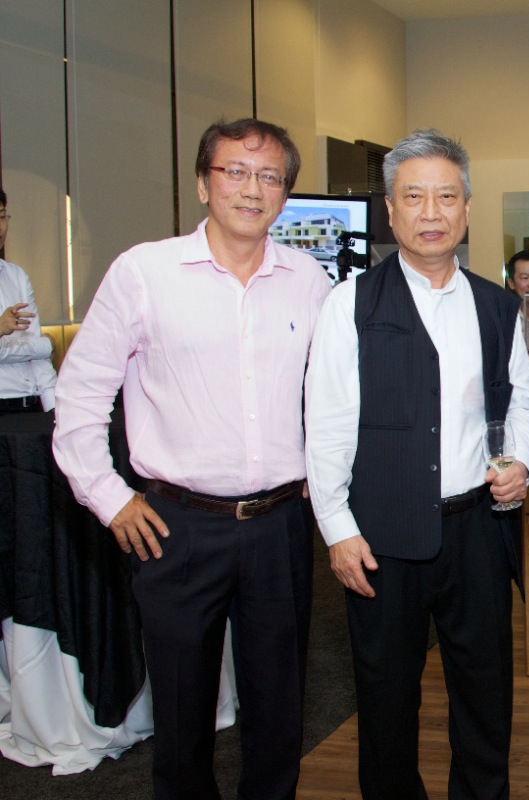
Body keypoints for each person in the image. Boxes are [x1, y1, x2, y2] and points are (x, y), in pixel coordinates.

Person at [52, 118, 331, 800]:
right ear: (203, 184)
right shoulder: (144, 273)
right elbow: (79, 397)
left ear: (285, 194)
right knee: (181, 718)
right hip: (175, 527)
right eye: (235, 171)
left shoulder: (309, 280)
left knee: (279, 712)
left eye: (269, 176)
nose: (251, 188)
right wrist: (110, 497)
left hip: (280, 525)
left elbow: (332, 394)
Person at [304, 129, 529, 800]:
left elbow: (522, 403)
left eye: (446, 196)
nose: (431, 212)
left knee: (486, 696)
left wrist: (521, 461)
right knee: (385, 700)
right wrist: (337, 528)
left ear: (467, 207)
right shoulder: (350, 302)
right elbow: (326, 423)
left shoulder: (497, 305)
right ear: (389, 208)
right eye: (414, 197)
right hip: (381, 537)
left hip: (478, 532)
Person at [0, 189, 57, 414]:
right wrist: (45, 346)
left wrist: (54, 408)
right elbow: (38, 347)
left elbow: (38, 356)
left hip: (29, 407)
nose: (0, 227)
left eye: (2, 217)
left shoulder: (17, 276)